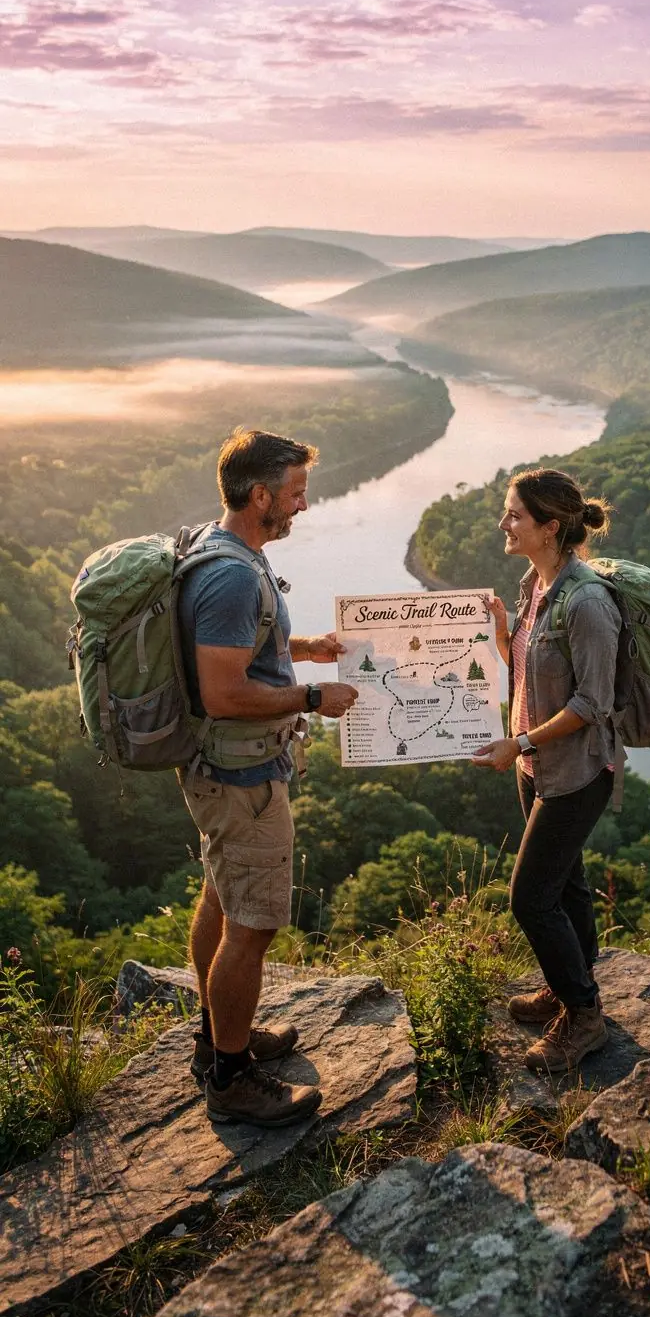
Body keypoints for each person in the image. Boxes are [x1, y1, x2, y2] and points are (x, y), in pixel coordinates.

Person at [179, 428, 358, 1128]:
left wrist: (301, 648)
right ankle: (230, 1077)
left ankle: (218, 1035)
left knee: (222, 901)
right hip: (242, 774)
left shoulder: (223, 549)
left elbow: (238, 652)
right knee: (251, 925)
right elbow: (223, 691)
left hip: (222, 768)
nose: (302, 506)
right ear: (260, 496)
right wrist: (313, 698)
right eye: (294, 493)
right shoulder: (231, 574)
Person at [472, 468, 619, 1074]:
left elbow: (593, 703)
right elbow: (531, 674)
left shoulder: (585, 601)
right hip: (534, 765)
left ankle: (583, 1018)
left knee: (530, 898)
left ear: (550, 527)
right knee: (567, 886)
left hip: (578, 771)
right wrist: (505, 639)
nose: (503, 524)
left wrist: (522, 740)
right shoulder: (537, 584)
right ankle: (568, 989)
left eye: (514, 516)